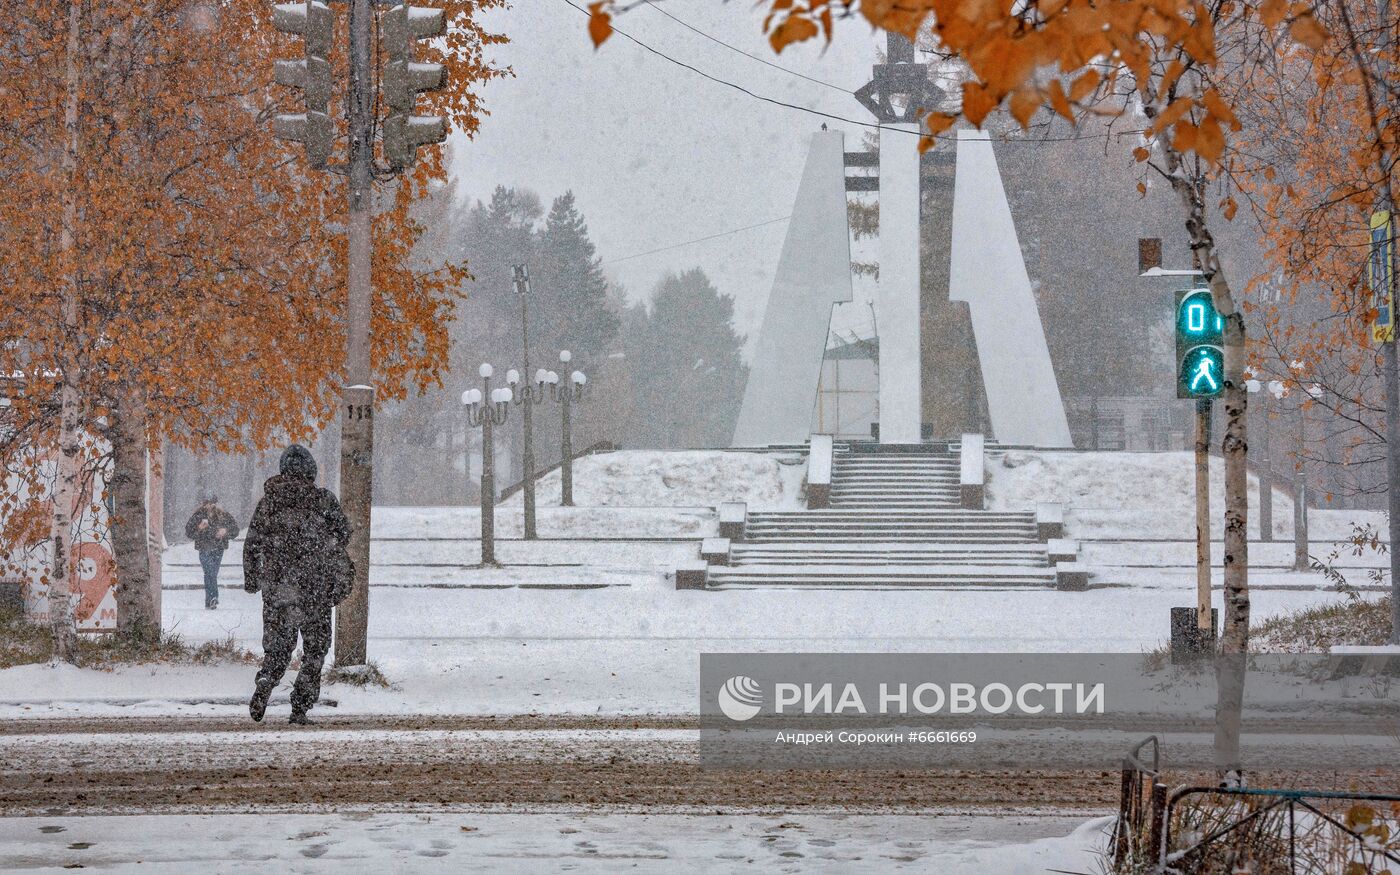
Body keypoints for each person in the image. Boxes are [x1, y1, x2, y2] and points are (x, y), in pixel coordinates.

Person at [242, 445, 353, 725]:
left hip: (278, 589)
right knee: (315, 650)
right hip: (314, 589)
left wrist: (253, 579)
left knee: (278, 647)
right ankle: (300, 708)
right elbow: (343, 534)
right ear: (311, 471)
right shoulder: (323, 501)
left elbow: (251, 543)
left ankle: (267, 679)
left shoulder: (268, 503)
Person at [184, 493, 239, 609]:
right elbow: (188, 532)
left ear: (215, 504)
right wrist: (199, 528)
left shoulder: (223, 515)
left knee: (211, 573)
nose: (209, 506)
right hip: (204, 548)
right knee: (210, 572)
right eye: (206, 504)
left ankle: (209, 601)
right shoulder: (198, 515)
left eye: (211, 504)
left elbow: (235, 530)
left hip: (218, 548)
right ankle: (213, 598)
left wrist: (225, 532)